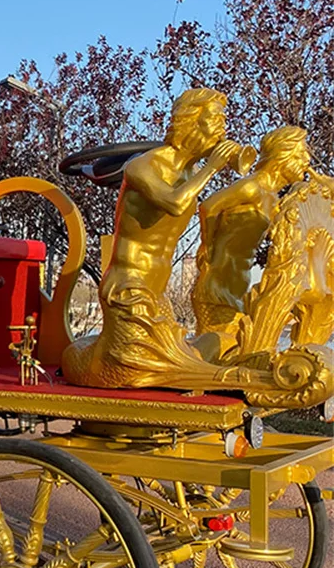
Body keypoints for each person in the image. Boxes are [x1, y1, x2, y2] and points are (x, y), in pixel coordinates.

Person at [62, 88, 242, 389]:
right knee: (134, 371)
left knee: (205, 346)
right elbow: (174, 202)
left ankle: (207, 373)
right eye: (215, 120)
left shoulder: (190, 173)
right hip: (128, 289)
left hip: (157, 294)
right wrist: (212, 169)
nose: (223, 129)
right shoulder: (144, 165)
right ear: (190, 123)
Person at [192, 126, 311, 356]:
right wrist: (208, 246)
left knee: (233, 349)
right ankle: (187, 385)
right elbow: (208, 207)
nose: (306, 160)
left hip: (240, 287)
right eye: (300, 153)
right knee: (213, 350)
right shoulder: (252, 187)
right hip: (218, 285)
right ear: (282, 156)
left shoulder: (275, 201)